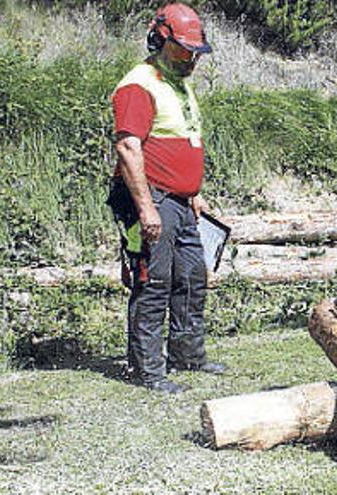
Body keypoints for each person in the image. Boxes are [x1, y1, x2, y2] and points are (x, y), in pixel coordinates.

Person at [107, 3, 225, 394]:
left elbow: (183, 140)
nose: (190, 58)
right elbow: (128, 148)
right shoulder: (138, 84)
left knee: (192, 276)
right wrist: (145, 208)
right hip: (151, 198)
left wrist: (194, 193)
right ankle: (148, 371)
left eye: (194, 51)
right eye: (182, 50)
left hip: (180, 201)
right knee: (153, 282)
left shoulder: (177, 81)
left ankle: (188, 355)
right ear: (160, 40)